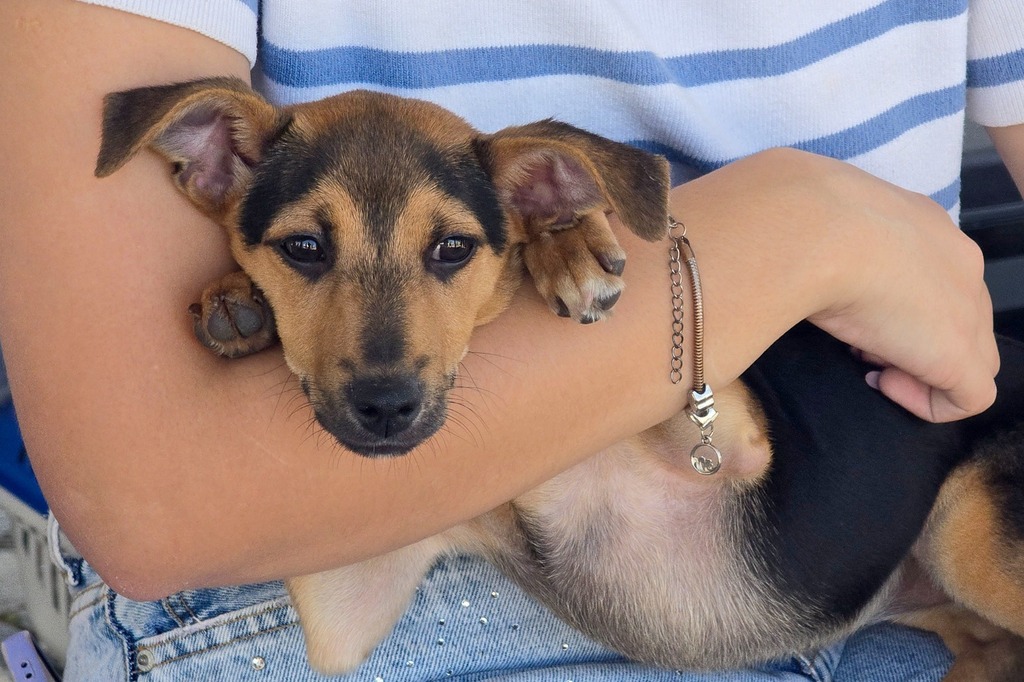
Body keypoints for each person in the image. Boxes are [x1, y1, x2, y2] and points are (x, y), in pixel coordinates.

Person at [0, 0, 1018, 679]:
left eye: (449, 253)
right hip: (446, 580)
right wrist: (809, 231)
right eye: (308, 250)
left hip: (899, 515)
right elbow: (161, 507)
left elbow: (728, 449)